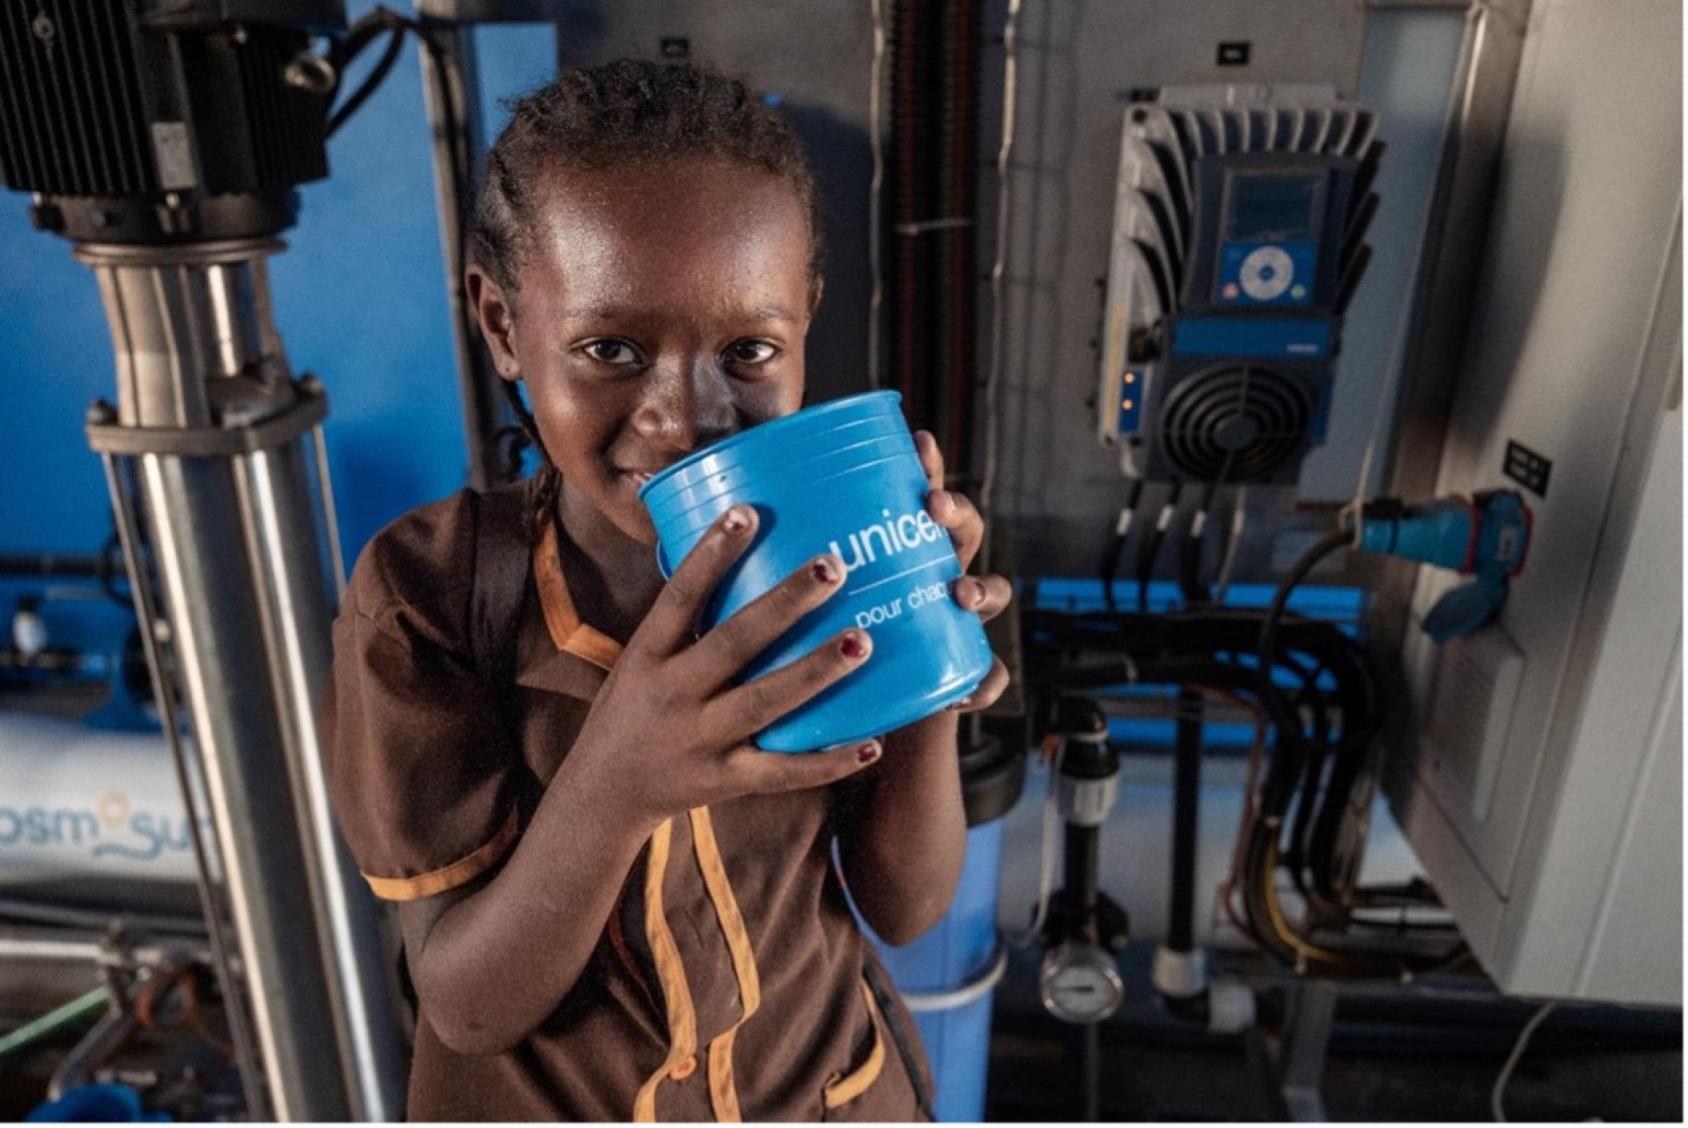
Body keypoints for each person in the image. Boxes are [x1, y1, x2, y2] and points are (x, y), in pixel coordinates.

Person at [323, 58, 1013, 1122]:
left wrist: (930, 664)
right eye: (609, 348)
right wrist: (619, 783)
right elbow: (463, 1007)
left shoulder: (831, 556)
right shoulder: (427, 596)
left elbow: (905, 907)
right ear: (504, 324)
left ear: (806, 322)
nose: (684, 416)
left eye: (748, 349)